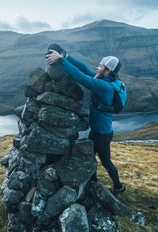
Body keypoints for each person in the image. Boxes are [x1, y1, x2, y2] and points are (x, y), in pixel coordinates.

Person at [45, 45, 126, 194]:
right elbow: (83, 68)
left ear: (107, 71)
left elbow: (80, 76)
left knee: (105, 161)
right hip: (98, 129)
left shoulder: (104, 86)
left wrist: (61, 60)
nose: (97, 67)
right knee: (90, 157)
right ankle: (93, 181)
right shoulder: (108, 79)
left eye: (101, 66)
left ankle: (118, 186)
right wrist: (66, 55)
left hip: (102, 133)